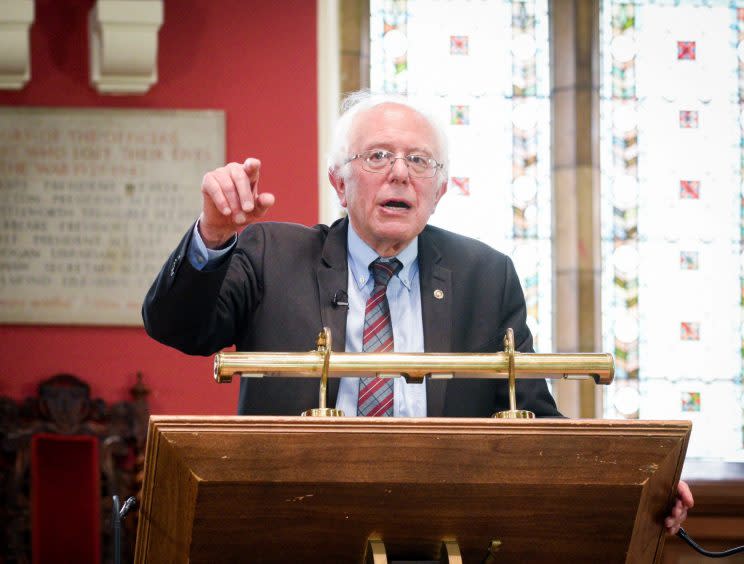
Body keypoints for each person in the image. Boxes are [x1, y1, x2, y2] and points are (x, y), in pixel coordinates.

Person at [142, 91, 692, 532]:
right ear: (339, 181)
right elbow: (177, 327)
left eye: (419, 161)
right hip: (295, 524)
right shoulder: (271, 254)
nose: (400, 173)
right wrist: (213, 235)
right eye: (378, 156)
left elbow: (529, 416)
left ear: (440, 189)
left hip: (440, 531)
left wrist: (633, 478)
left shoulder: (486, 274)